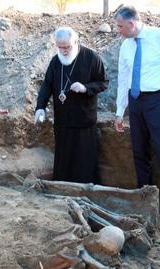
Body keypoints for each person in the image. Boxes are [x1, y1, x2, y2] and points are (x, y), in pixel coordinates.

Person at [113, 6, 160, 224]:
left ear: (131, 24)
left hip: (158, 100)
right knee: (139, 153)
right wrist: (120, 111)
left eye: (120, 26)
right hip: (136, 101)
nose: (117, 30)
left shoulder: (159, 37)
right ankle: (143, 203)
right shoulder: (126, 46)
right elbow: (123, 80)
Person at [35, 26, 108, 184]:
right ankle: (62, 191)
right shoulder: (56, 61)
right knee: (64, 160)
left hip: (84, 121)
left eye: (67, 47)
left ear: (75, 42)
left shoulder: (91, 58)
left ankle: (85, 192)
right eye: (60, 47)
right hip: (63, 122)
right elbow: (46, 85)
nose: (63, 51)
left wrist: (86, 88)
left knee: (83, 163)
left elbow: (103, 82)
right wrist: (40, 107)